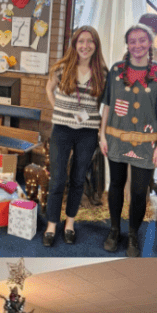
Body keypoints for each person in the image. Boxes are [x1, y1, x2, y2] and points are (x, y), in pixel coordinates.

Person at [99, 22, 157, 257]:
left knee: (140, 191)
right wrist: (101, 134)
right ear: (127, 44)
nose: (137, 45)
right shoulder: (116, 71)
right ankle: (114, 230)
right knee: (116, 185)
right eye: (132, 41)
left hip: (146, 144)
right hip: (115, 139)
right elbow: (108, 105)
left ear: (150, 43)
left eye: (142, 40)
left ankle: (133, 233)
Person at [43, 26, 106, 246]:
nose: (85, 46)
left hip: (88, 132)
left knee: (78, 179)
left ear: (95, 46)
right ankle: (52, 224)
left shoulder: (102, 73)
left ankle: (69, 223)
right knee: (58, 178)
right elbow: (49, 90)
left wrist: (103, 131)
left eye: (90, 41)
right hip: (61, 129)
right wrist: (59, 109)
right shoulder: (61, 68)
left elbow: (104, 105)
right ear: (74, 44)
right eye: (81, 41)